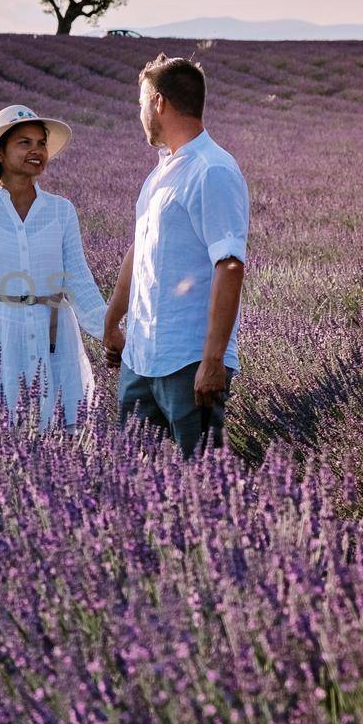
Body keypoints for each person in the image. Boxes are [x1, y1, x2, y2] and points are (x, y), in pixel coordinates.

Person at [103, 53, 249, 458]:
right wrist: (113, 320)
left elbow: (230, 265)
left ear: (160, 103)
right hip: (141, 357)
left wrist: (214, 360)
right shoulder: (161, 173)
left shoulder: (212, 169)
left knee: (203, 479)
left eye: (141, 103)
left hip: (188, 361)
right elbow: (139, 250)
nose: (140, 113)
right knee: (130, 478)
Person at [0, 104, 107, 428]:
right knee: (0, 432)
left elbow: (78, 280)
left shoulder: (61, 211)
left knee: (61, 436)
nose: (37, 151)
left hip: (53, 335)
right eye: (24, 143)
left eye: (41, 143)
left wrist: (112, 333)